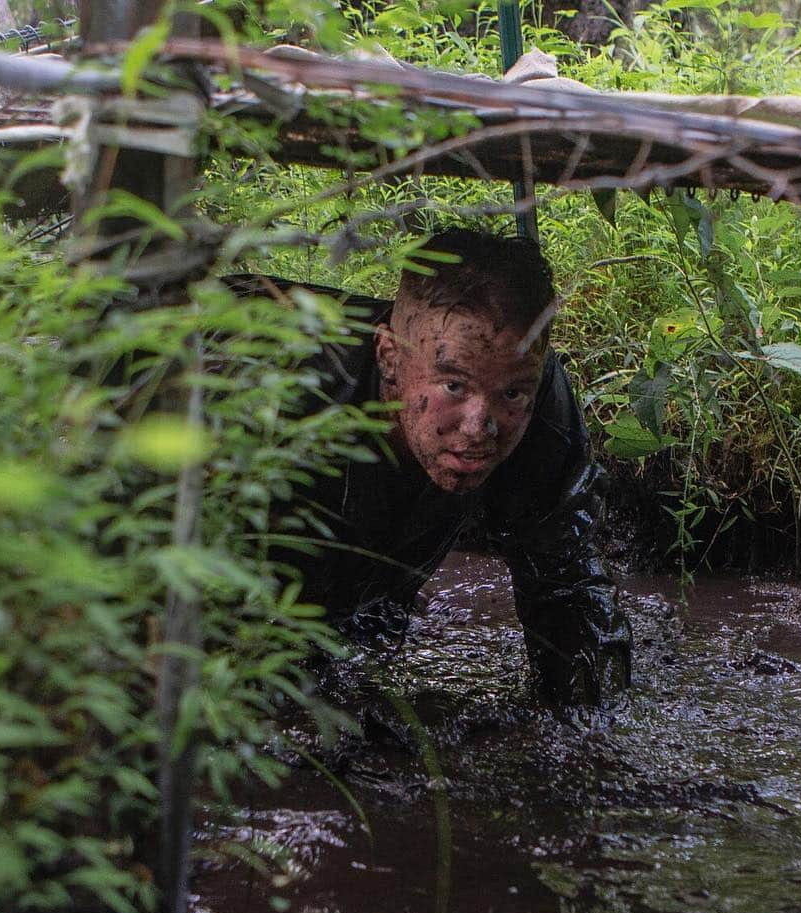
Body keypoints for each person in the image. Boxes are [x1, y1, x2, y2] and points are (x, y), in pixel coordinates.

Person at [263, 228, 632, 714]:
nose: (480, 427)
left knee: (363, 642)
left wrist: (590, 735)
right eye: (454, 386)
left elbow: (568, 583)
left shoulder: (534, 389)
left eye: (511, 395)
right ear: (389, 358)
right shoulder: (288, 400)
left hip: (378, 559)